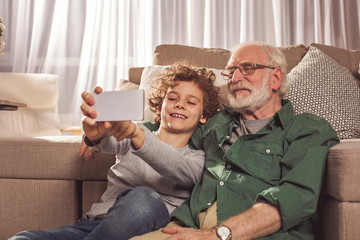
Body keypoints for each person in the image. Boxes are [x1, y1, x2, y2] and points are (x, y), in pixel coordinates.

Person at [131, 42, 339, 240]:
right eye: (230, 72)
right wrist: (115, 132)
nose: (235, 78)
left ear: (276, 78)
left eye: (247, 68)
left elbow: (294, 197)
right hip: (186, 227)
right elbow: (167, 131)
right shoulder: (216, 122)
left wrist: (220, 234)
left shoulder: (307, 129)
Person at [9, 63, 221, 240]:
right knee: (22, 238)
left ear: (203, 116)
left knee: (144, 198)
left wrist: (137, 134)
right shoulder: (132, 133)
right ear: (159, 108)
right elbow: (109, 141)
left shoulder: (197, 158)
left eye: (191, 102)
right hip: (93, 226)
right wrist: (95, 134)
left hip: (144, 230)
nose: (180, 105)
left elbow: (180, 168)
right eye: (173, 98)